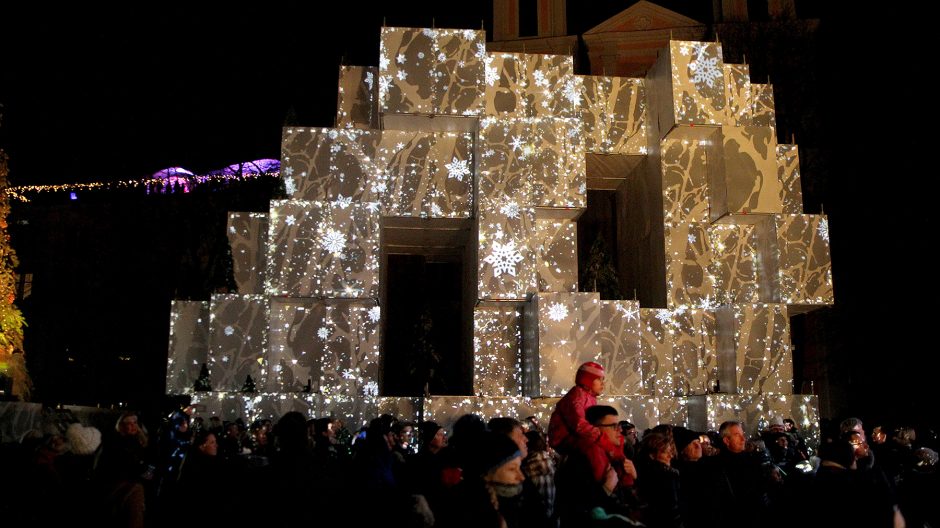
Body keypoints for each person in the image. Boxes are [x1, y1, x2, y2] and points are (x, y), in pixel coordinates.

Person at [548, 362, 624, 467]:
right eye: (599, 379)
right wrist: (602, 437)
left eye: (603, 380)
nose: (603, 384)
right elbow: (579, 425)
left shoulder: (590, 397)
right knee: (597, 452)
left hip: (580, 439)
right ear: (588, 379)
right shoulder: (577, 396)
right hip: (566, 440)